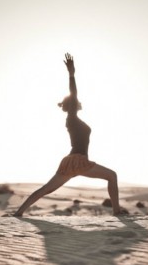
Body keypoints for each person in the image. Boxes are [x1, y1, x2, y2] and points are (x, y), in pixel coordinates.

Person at [14, 53, 126, 216]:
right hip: (77, 160)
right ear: (72, 105)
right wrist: (71, 74)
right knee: (112, 176)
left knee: (46, 189)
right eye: (76, 102)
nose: (79, 102)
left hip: (71, 161)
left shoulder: (73, 119)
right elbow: (74, 94)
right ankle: (117, 211)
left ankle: (18, 212)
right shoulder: (72, 117)